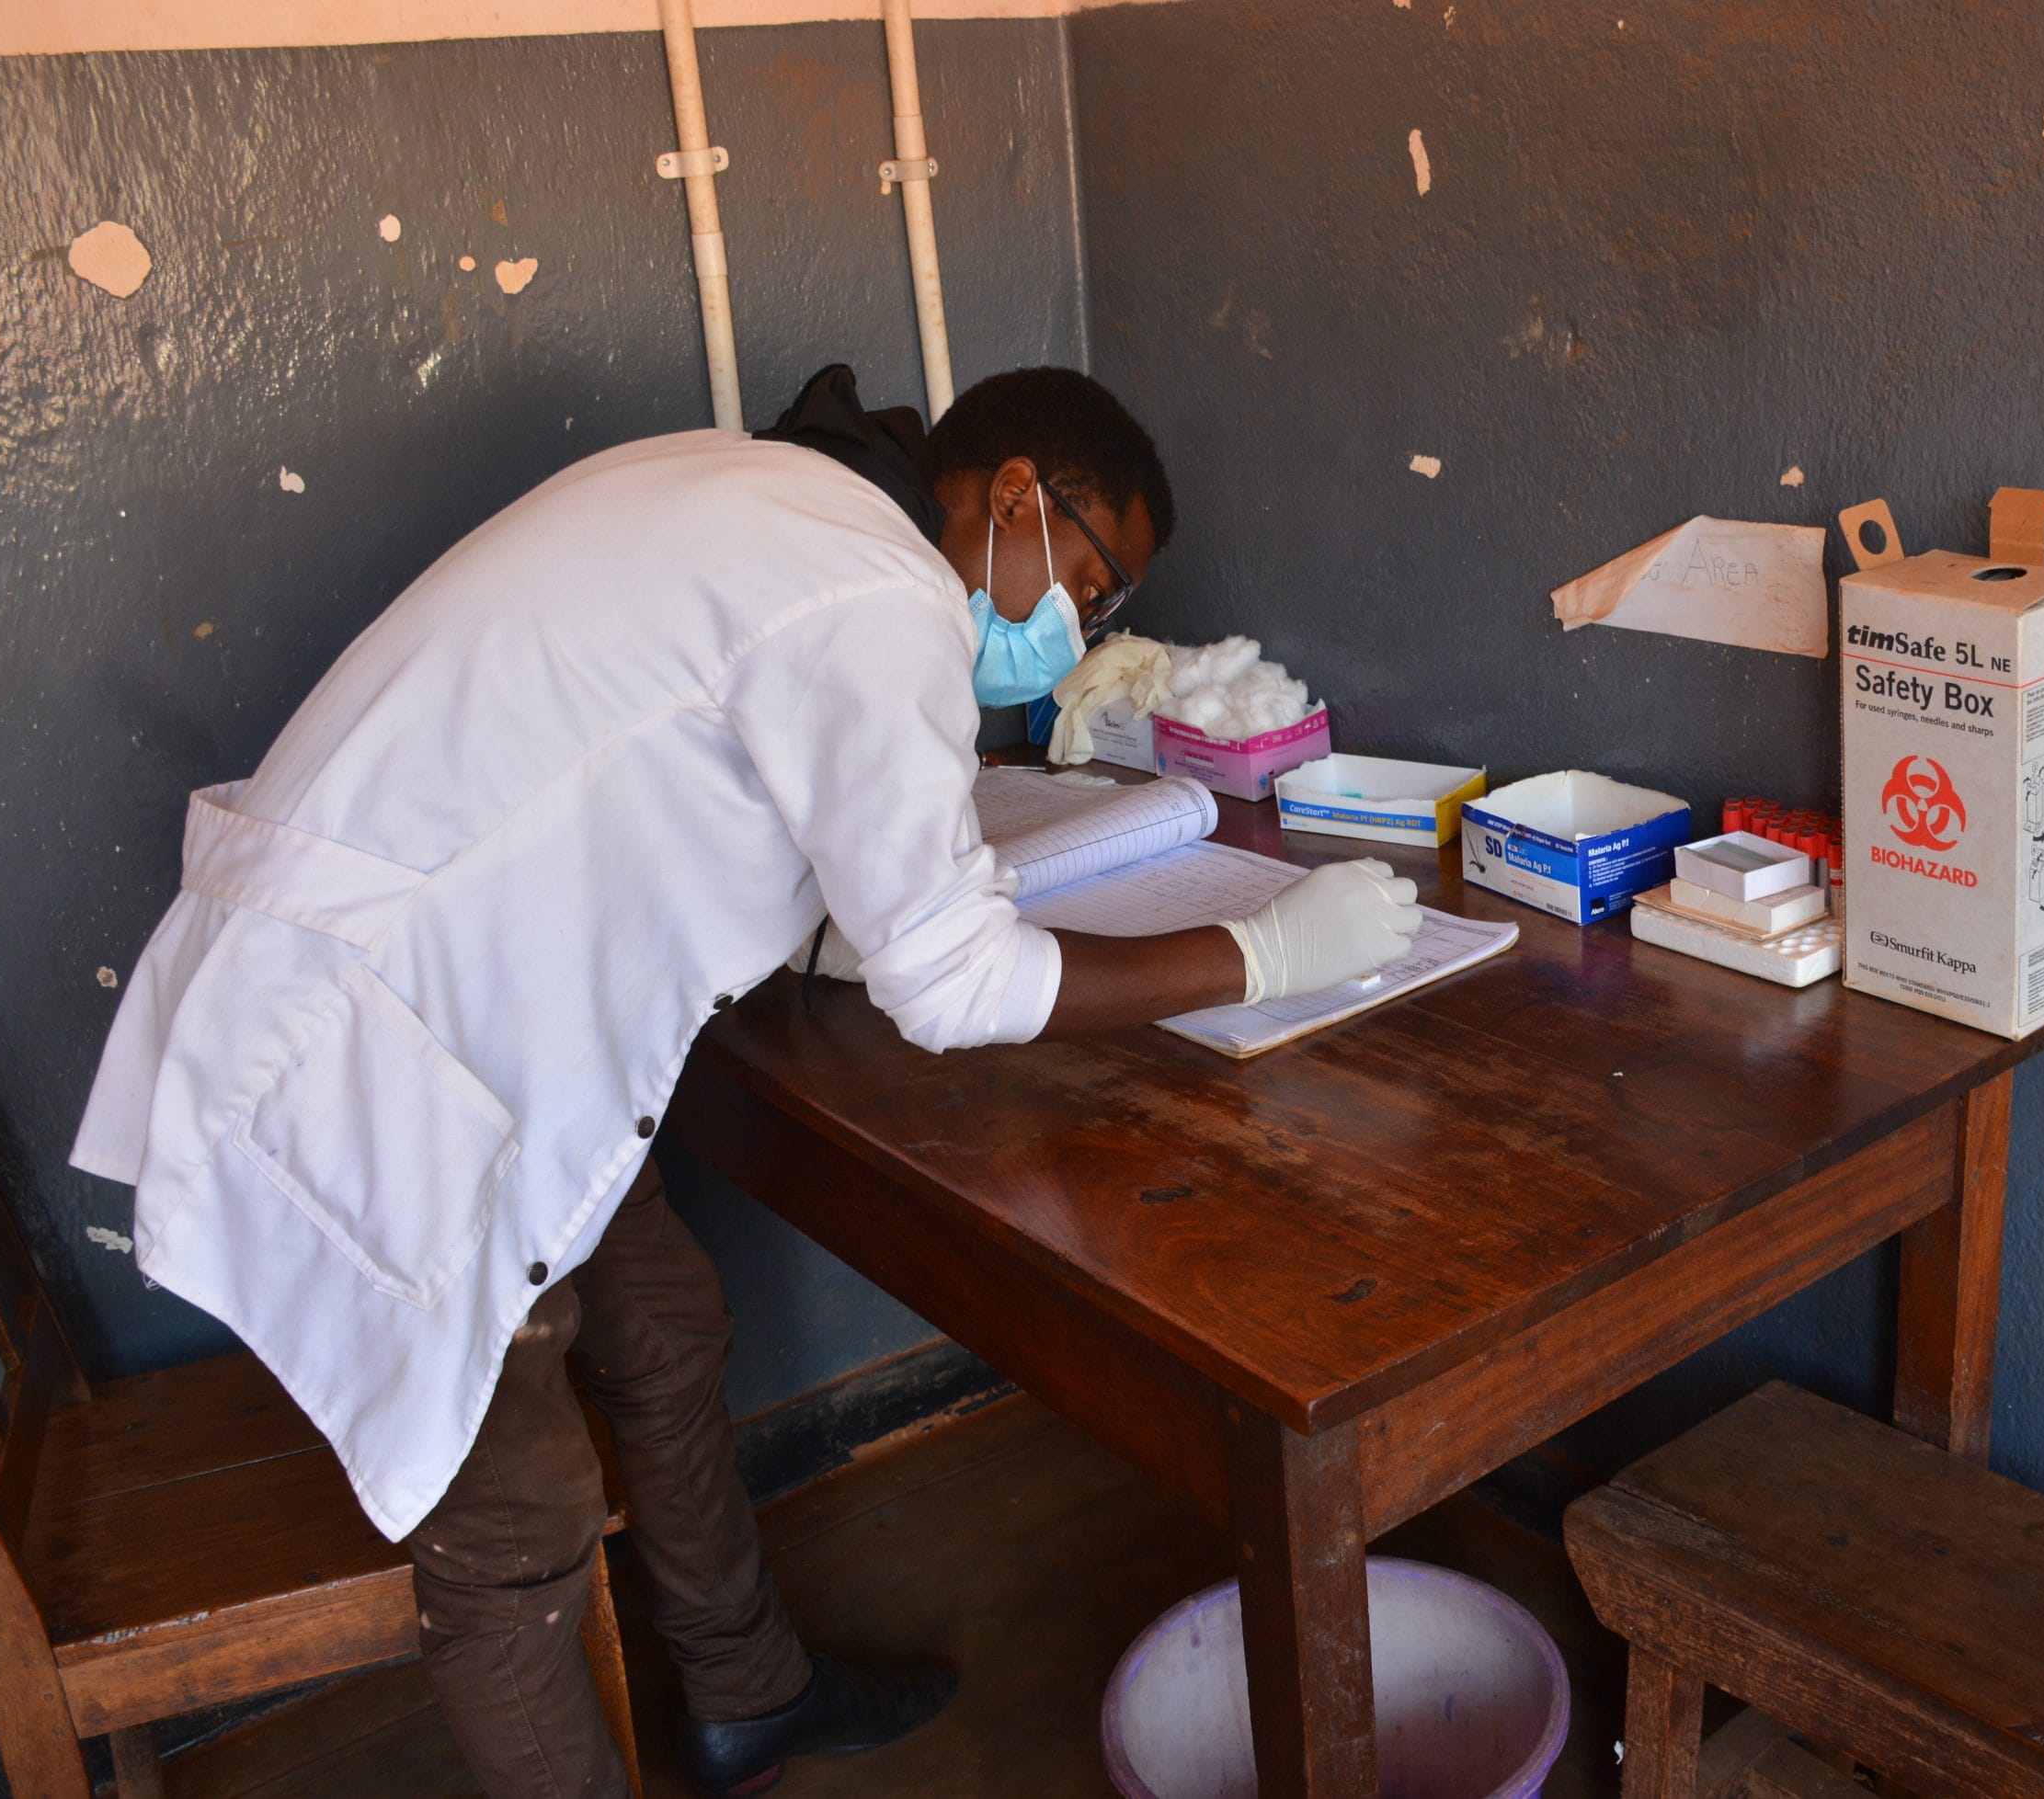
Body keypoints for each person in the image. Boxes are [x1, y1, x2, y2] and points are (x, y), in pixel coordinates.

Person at [69, 364, 1422, 1798]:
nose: (1078, 632)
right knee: (514, 1533)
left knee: (660, 1315)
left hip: (441, 990)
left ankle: (744, 1691)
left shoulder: (770, 498)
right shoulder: (875, 591)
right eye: (1094, 586)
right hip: (370, 1046)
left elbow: (687, 763)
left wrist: (841, 919)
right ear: (1018, 492)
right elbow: (956, 983)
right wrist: (1260, 953)